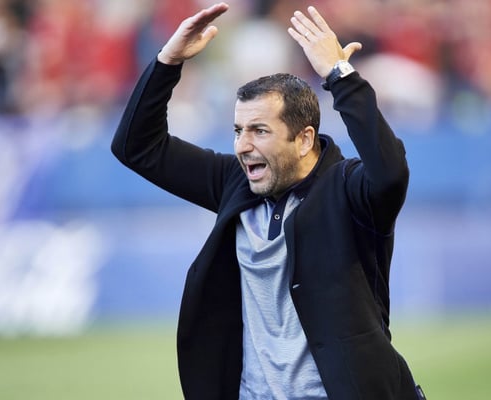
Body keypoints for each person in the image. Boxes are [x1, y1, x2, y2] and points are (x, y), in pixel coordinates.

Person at [112, 3, 426, 399]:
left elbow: (390, 171)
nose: (243, 146)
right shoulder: (235, 182)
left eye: (259, 131)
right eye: (238, 130)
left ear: (304, 139)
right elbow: (136, 146)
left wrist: (339, 76)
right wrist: (167, 62)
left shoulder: (348, 190)